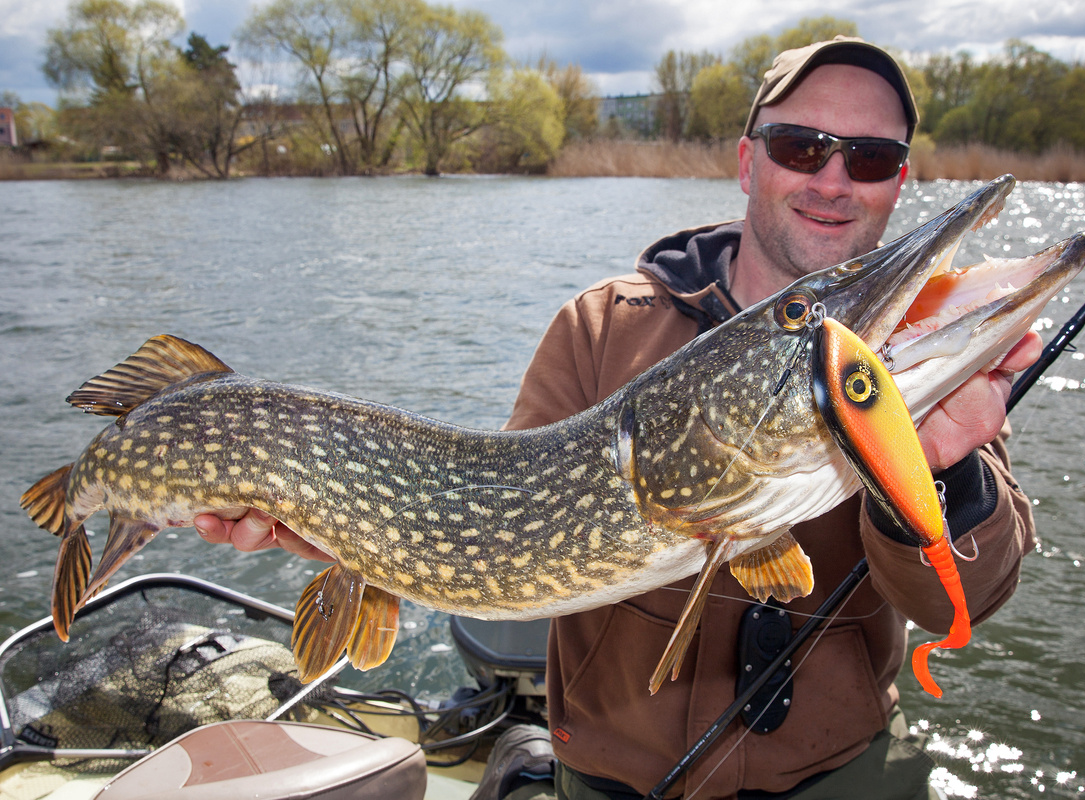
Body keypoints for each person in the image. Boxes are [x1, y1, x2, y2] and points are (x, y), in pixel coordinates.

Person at [195, 37, 1038, 800]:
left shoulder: (915, 358)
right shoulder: (600, 328)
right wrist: (345, 524)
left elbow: (966, 599)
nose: (832, 179)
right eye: (801, 146)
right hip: (617, 777)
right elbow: (493, 532)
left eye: (872, 158)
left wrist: (940, 468)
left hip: (836, 773)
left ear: (898, 179)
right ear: (749, 163)